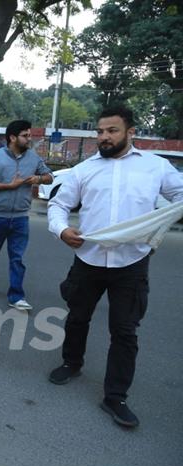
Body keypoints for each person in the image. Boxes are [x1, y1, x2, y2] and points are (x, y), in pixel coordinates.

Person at [47, 106, 183, 428]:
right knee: (78, 317)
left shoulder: (156, 168)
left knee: (124, 331)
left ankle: (115, 397)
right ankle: (71, 362)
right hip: (88, 259)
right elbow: (58, 204)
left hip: (132, 264)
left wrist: (158, 226)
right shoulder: (84, 169)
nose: (104, 137)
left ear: (130, 132)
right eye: (100, 132)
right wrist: (62, 229)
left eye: (112, 131)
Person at [0, 120, 52, 310]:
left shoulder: (34, 158)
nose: (29, 139)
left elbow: (50, 176)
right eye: (25, 135)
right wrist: (9, 186)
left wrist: (39, 178)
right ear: (12, 137)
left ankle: (16, 296)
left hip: (20, 218)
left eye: (30, 135)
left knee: (17, 259)